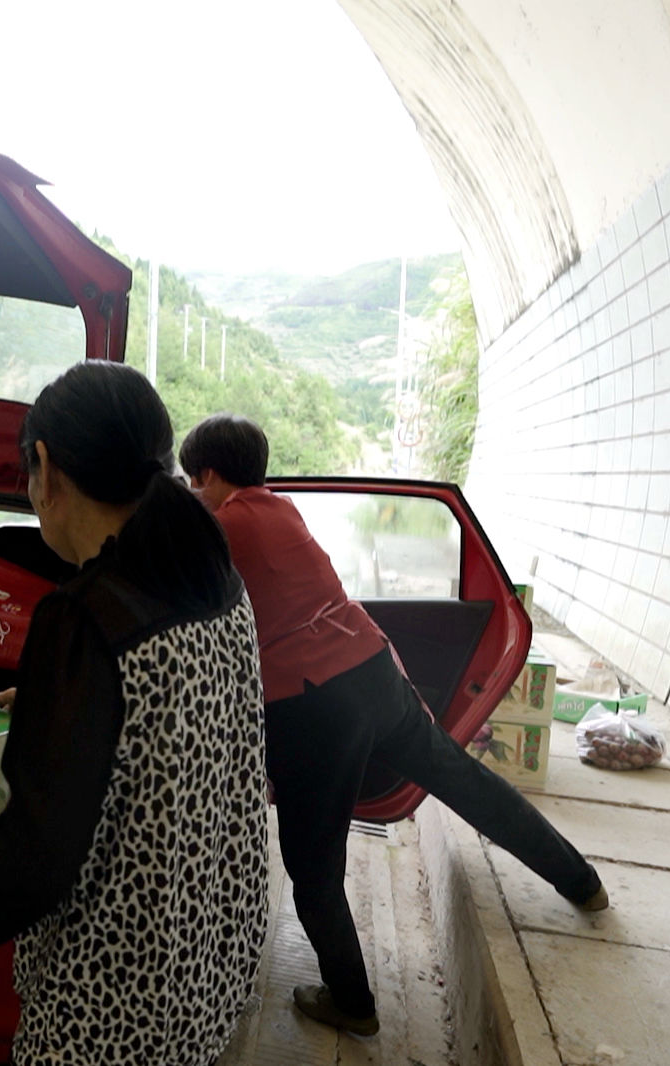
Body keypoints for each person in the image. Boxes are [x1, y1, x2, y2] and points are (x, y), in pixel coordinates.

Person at [0, 362, 270, 1066]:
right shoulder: (210, 576)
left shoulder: (84, 616)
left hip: (110, 1005)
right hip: (203, 959)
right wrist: (62, 707)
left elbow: (33, 863)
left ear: (43, 466)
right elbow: (164, 728)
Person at [178, 412, 607, 1037]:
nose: (193, 493)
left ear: (209, 475)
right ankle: (582, 880)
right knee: (470, 787)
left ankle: (352, 1001)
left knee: (314, 867)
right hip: (374, 671)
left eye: (194, 482)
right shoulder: (280, 510)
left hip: (312, 703)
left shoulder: (224, 522)